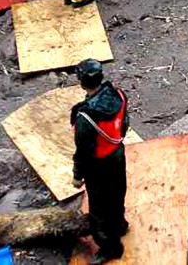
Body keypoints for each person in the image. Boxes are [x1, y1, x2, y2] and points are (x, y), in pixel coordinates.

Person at [71, 59, 129, 264]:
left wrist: (78, 176)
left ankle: (111, 247)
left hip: (99, 165)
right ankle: (121, 224)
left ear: (82, 82)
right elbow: (124, 125)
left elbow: (83, 153)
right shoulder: (119, 95)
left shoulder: (84, 118)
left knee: (99, 210)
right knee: (118, 191)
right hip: (118, 153)